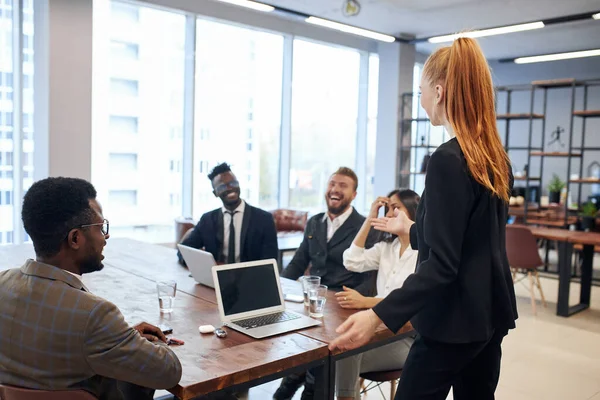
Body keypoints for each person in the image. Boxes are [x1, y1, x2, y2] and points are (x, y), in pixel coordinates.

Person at [329, 37, 518, 400]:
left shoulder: (448, 159)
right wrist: (413, 230)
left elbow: (443, 265)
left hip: (451, 323)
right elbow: (470, 238)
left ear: (438, 90)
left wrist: (378, 315)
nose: (421, 100)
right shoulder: (494, 156)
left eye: (421, 92)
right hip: (489, 315)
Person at [0, 177, 182, 400]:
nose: (106, 237)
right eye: (100, 227)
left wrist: (120, 339)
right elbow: (169, 372)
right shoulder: (94, 314)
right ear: (76, 238)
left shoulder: (3, 284)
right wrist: (142, 344)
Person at [275, 167, 377, 400]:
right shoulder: (314, 223)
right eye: (332, 184)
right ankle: (293, 382)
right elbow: (298, 263)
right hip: (311, 307)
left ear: (354, 194)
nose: (335, 189)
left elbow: (369, 280)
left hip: (343, 308)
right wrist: (277, 286)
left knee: (312, 367)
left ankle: (304, 385)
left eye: (343, 186)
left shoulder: (365, 227)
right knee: (291, 345)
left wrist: (347, 303)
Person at [334, 189, 420, 400]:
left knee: (344, 354)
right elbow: (351, 261)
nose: (389, 214)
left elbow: (413, 302)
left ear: (412, 212)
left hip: (408, 339)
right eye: (387, 208)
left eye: (396, 208)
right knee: (336, 353)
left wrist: (366, 301)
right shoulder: (386, 248)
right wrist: (370, 218)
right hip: (377, 331)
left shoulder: (424, 253)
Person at [178, 162, 278, 265]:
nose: (230, 188)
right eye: (222, 187)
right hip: (216, 278)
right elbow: (183, 252)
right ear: (215, 193)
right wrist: (207, 265)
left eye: (233, 183)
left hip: (251, 278)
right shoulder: (207, 220)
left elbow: (270, 261)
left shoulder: (264, 219)